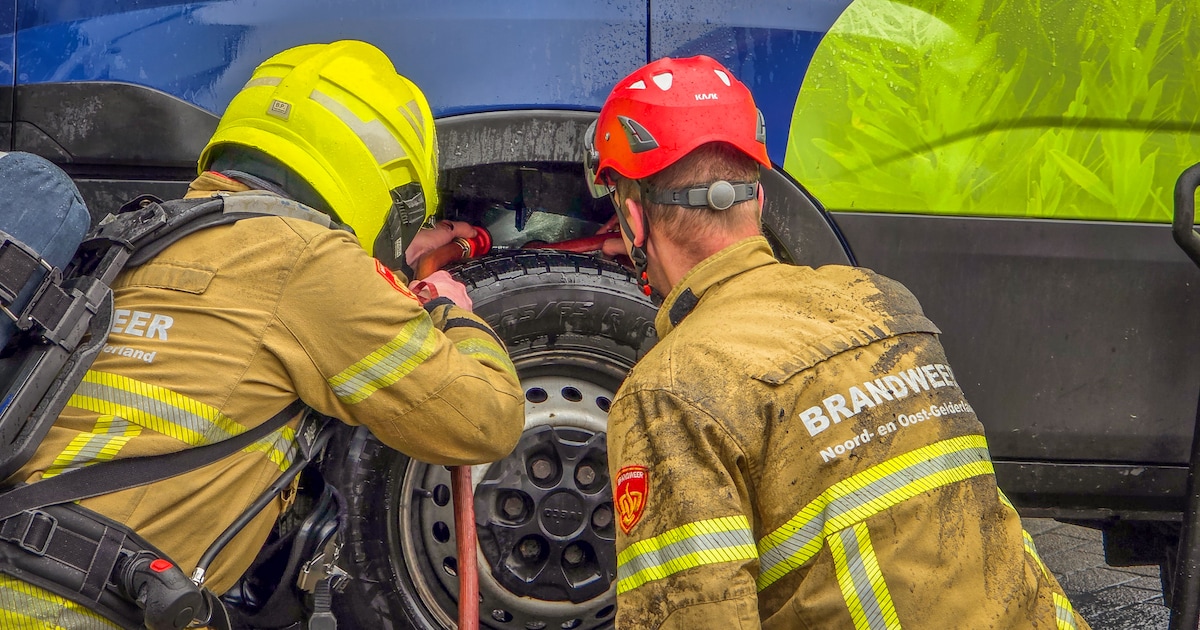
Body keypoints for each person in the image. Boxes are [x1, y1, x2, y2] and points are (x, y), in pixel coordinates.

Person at [0, 40, 524, 628]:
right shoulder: (311, 265)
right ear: (385, 184)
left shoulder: (143, 234)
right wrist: (455, 313)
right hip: (73, 609)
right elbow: (485, 420)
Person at [587, 55, 1089, 629]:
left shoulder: (670, 391)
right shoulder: (881, 302)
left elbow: (687, 618)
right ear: (759, 201)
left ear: (633, 217)